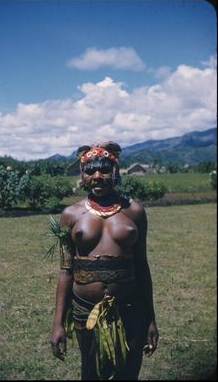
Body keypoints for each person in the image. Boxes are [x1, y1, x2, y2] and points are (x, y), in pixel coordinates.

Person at [50, 141, 159, 380]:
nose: (97, 176)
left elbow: (141, 266)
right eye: (90, 171)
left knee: (128, 372)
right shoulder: (71, 215)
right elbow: (66, 270)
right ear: (82, 175)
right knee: (91, 371)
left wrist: (150, 319)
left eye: (104, 170)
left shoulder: (135, 212)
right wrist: (58, 323)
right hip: (84, 311)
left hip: (130, 308)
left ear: (116, 172)